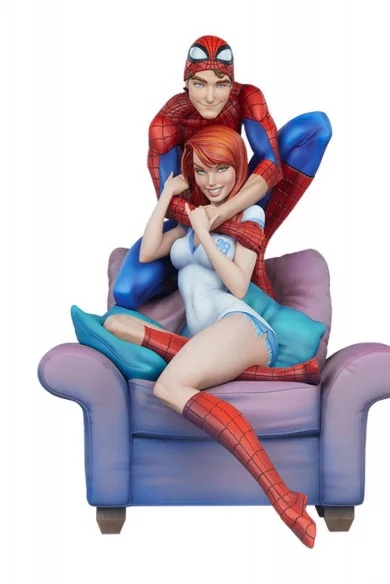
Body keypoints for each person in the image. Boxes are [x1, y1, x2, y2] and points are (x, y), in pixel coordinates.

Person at [104, 125, 317, 548]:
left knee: (168, 386)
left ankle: (281, 496)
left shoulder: (249, 216)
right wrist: (168, 197)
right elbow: (147, 252)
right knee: (114, 324)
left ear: (238, 168)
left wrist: (204, 232)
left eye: (220, 169)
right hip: (207, 338)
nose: (211, 180)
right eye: (201, 171)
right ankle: (277, 384)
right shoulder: (187, 224)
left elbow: (238, 285)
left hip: (241, 325)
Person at [113, 34, 332, 308]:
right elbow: (168, 203)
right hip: (192, 217)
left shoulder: (246, 98)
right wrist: (210, 223)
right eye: (199, 84)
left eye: (221, 84)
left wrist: (226, 213)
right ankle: (192, 276)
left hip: (239, 200)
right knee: (126, 292)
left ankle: (246, 252)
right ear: (186, 83)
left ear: (232, 83)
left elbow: (271, 166)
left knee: (315, 126)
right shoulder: (166, 123)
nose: (209, 97)